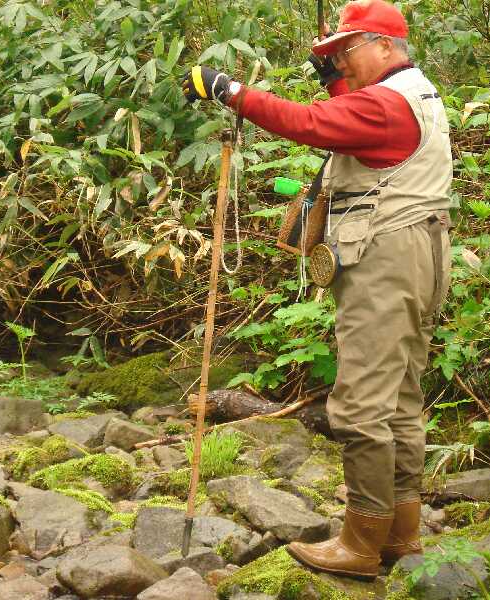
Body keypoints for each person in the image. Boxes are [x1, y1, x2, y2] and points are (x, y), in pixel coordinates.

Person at [181, 0, 453, 580]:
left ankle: (360, 542)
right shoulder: (413, 93)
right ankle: (401, 535)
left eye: (345, 52)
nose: (340, 64)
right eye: (333, 58)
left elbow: (309, 124)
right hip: (418, 251)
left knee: (359, 406)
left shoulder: (384, 103)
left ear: (384, 45)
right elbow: (346, 118)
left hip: (386, 256)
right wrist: (335, 76)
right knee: (400, 399)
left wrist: (232, 92)